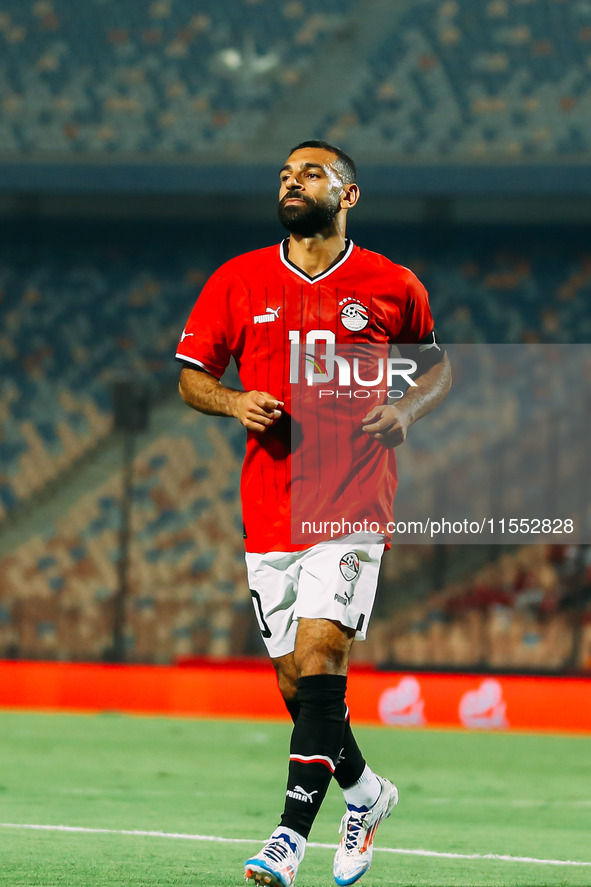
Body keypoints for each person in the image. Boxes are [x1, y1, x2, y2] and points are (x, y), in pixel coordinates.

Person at [176, 140, 451, 887]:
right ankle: (365, 793)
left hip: (354, 497)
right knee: (298, 684)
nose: (292, 182)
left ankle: (287, 838)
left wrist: (405, 408)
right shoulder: (237, 279)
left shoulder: (391, 283)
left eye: (310, 172)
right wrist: (232, 399)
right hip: (269, 505)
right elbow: (192, 378)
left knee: (324, 652)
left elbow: (435, 367)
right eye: (285, 174)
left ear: (347, 195)